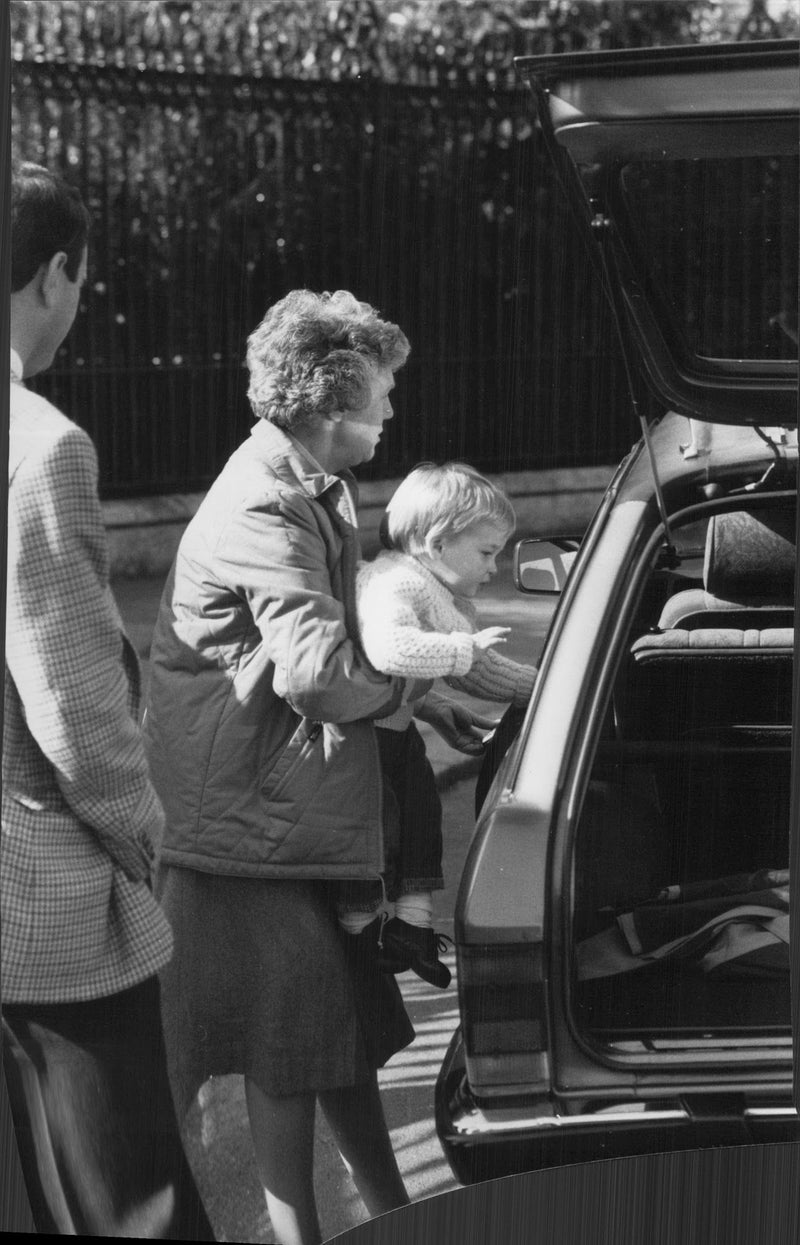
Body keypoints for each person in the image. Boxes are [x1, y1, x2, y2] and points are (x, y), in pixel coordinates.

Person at [142, 289, 492, 1245]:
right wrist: (412, 697)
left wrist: (429, 698)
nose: (391, 414)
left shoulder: (308, 482)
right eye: (381, 396)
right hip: (245, 825)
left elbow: (340, 655)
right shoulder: (267, 499)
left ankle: (391, 1214)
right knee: (291, 1047)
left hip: (280, 803)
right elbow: (316, 674)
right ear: (330, 408)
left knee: (333, 1037)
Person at [3, 161, 214, 1239]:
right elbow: (73, 700)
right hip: (38, 886)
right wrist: (142, 832)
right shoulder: (40, 446)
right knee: (135, 1196)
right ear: (54, 274)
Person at [336, 462, 537, 988]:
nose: (495, 567)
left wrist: (545, 686)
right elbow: (390, 647)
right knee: (374, 838)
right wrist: (459, 649)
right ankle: (361, 932)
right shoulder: (395, 583)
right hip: (362, 741)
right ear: (436, 543)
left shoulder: (435, 588)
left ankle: (413, 927)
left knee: (422, 817)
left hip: (393, 732)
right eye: (487, 552)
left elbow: (481, 671)